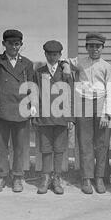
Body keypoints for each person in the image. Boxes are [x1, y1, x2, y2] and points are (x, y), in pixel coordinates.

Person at [64, 32, 111, 194]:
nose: (94, 49)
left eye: (98, 46)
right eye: (91, 46)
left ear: (102, 48)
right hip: (84, 104)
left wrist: (106, 113)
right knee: (85, 142)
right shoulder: (80, 61)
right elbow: (64, 60)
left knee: (102, 143)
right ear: (87, 47)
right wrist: (66, 66)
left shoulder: (107, 67)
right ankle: (86, 178)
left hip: (101, 105)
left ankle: (100, 177)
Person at [0, 29, 35, 193]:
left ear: (21, 45)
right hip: (1, 109)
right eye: (10, 43)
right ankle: (1, 176)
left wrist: (32, 103)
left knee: (19, 147)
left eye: (17, 44)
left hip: (21, 110)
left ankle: (18, 177)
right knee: (1, 146)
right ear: (3, 44)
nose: (14, 47)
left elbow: (31, 87)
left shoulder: (27, 63)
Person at [33, 40, 74, 194]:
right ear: (45, 54)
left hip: (62, 118)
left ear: (60, 55)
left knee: (59, 149)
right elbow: (34, 94)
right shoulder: (38, 72)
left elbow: (71, 96)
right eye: (49, 54)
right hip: (44, 118)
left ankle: (56, 179)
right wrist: (35, 115)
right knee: (45, 149)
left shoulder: (66, 73)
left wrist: (70, 118)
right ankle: (45, 179)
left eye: (55, 54)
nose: (52, 57)